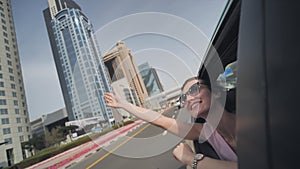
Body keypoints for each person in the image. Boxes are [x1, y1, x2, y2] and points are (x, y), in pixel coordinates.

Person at [104, 76, 237, 169]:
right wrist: (124, 105)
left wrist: (191, 159)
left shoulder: (252, 120)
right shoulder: (205, 131)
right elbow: (161, 120)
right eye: (183, 98)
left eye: (194, 90)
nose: (189, 99)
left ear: (217, 92)